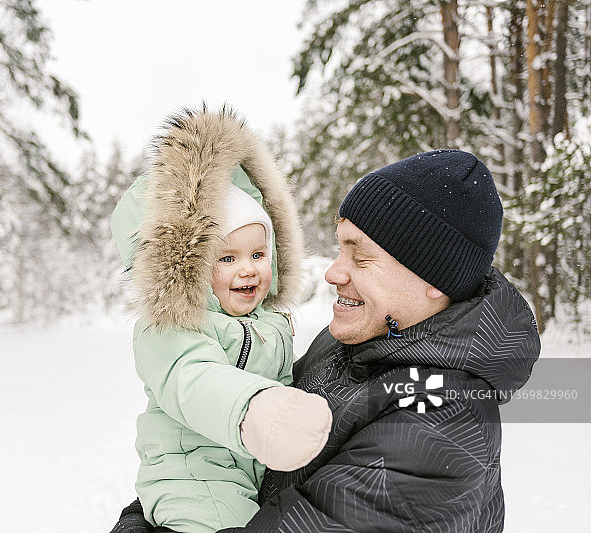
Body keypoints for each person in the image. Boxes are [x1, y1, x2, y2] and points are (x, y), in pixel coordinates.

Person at [112, 149, 541, 532]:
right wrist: (150, 511)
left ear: (433, 277)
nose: (333, 273)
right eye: (339, 250)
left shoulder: (440, 428)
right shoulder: (353, 345)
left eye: (361, 256)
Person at [109, 107, 333, 533]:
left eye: (258, 254)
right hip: (194, 478)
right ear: (192, 268)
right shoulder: (172, 326)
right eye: (227, 258)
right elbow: (193, 379)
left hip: (245, 474)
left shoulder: (268, 322)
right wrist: (256, 409)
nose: (248, 269)